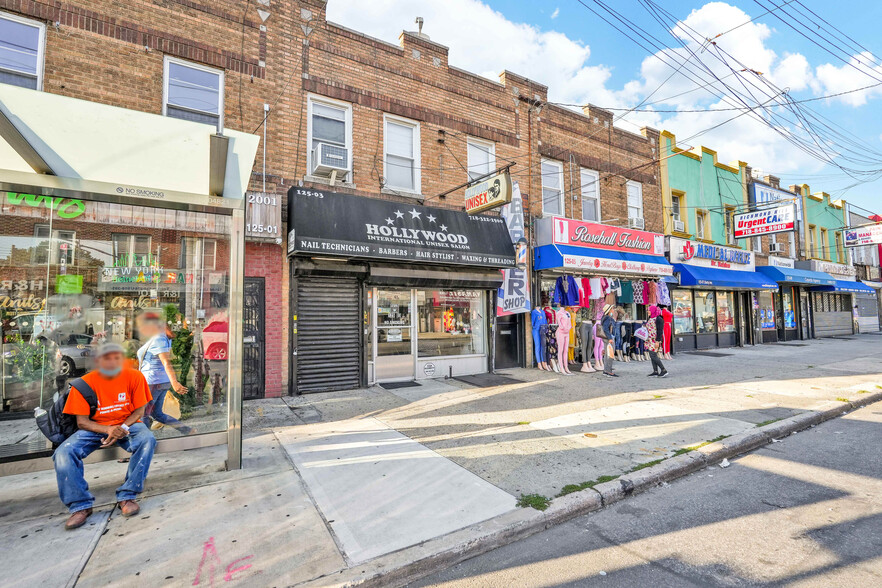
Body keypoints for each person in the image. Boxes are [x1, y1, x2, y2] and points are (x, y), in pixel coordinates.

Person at [53, 343, 156, 530]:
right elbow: (82, 422)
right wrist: (108, 429)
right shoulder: (84, 384)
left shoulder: (134, 376)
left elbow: (139, 411)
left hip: (129, 424)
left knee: (147, 440)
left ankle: (128, 495)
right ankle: (80, 505)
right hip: (94, 428)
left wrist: (121, 427)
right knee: (63, 453)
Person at [136, 312, 192, 435]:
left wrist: (175, 383)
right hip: (159, 382)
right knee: (157, 414)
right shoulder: (162, 338)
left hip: (153, 382)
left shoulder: (159, 338)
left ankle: (145, 442)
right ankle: (188, 431)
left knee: (143, 413)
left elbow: (166, 362)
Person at [597, 304, 619, 377]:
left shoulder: (605, 317)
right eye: (612, 308)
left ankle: (606, 370)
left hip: (606, 338)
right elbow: (606, 328)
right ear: (609, 310)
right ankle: (608, 371)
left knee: (607, 354)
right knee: (610, 354)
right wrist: (610, 338)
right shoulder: (608, 318)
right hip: (609, 338)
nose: (613, 309)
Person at [646, 306, 668, 378]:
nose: (648, 312)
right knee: (651, 355)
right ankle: (655, 371)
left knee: (653, 355)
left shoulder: (659, 319)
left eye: (649, 310)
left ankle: (663, 370)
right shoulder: (651, 318)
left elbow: (660, 331)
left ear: (652, 311)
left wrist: (658, 341)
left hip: (655, 340)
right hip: (650, 339)